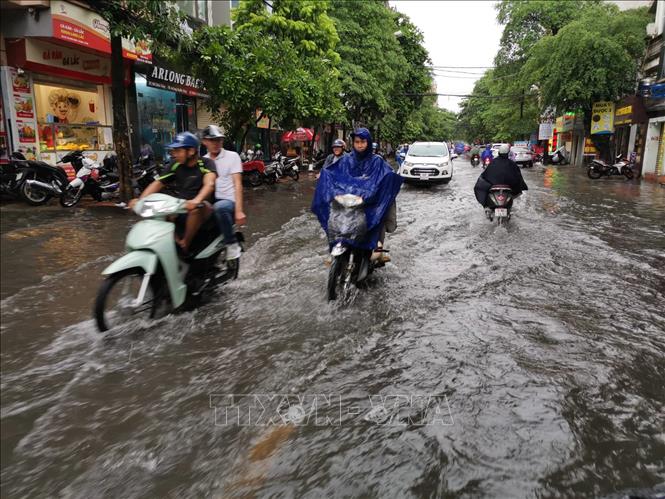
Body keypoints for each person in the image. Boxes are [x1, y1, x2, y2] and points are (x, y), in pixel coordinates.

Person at [311, 127, 402, 263]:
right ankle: (334, 247)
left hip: (371, 202)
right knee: (334, 217)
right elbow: (333, 173)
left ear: (368, 142)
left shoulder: (377, 161)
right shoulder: (346, 160)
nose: (360, 145)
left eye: (363, 142)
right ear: (353, 143)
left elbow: (387, 175)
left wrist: (387, 184)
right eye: (357, 142)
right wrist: (325, 178)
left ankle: (379, 249)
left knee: (380, 217)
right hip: (351, 201)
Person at [130, 131, 216, 254]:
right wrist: (140, 200)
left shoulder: (206, 163)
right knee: (160, 213)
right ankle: (173, 244)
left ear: (191, 151)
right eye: (173, 151)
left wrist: (197, 200)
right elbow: (158, 183)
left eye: (178, 151)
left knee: (195, 209)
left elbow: (210, 184)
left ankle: (184, 245)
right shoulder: (175, 165)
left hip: (203, 206)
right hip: (181, 205)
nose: (174, 154)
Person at [201, 125, 246, 260]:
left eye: (219, 140)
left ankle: (232, 244)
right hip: (210, 203)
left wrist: (239, 211)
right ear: (204, 141)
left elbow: (238, 184)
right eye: (212, 140)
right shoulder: (203, 161)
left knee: (219, 207)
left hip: (227, 203)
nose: (216, 143)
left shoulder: (232, 157)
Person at [474, 143, 528, 212]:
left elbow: (485, 175)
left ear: (499, 152)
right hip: (509, 187)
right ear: (508, 153)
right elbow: (518, 177)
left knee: (481, 187)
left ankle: (486, 206)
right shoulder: (512, 164)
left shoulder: (493, 162)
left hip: (494, 186)